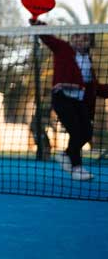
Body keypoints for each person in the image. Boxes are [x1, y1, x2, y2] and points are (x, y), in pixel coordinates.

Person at [31, 19, 107, 181]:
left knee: (86, 133)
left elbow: (94, 88)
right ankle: (77, 168)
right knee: (76, 131)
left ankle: (65, 154)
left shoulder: (89, 62)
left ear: (89, 43)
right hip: (62, 98)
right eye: (77, 36)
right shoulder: (63, 49)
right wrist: (38, 24)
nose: (80, 40)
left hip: (79, 103)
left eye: (84, 38)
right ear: (72, 39)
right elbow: (48, 39)